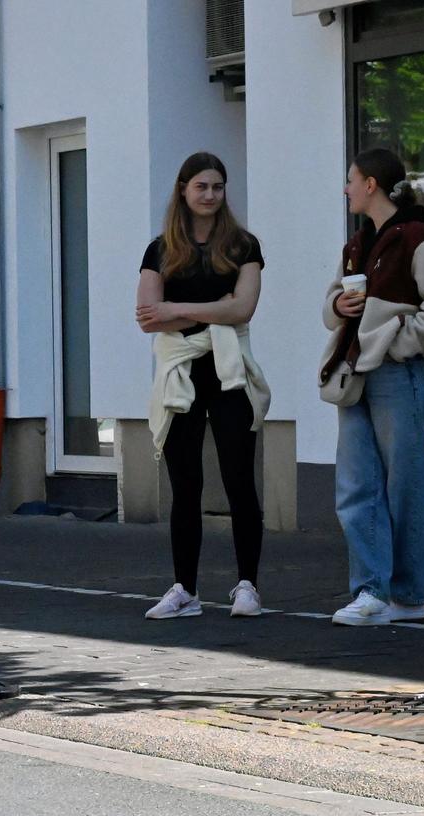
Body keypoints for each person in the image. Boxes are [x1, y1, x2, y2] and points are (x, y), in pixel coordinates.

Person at [322, 147, 424, 626]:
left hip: (398, 374)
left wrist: (400, 343)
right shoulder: (357, 244)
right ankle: (372, 592)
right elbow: (331, 302)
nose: (346, 189)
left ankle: (406, 595)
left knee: (404, 486)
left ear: (371, 185)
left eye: (350, 179)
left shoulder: (420, 239)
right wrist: (339, 308)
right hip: (357, 372)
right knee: (356, 485)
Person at [135, 152, 271, 621]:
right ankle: (184, 590)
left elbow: (244, 310)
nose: (210, 195)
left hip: (230, 370)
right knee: (184, 484)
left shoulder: (243, 246)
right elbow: (148, 317)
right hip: (181, 371)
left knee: (238, 480)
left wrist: (178, 310)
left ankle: (248, 586)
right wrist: (212, 306)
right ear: (183, 190)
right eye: (202, 187)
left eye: (218, 186)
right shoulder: (160, 249)